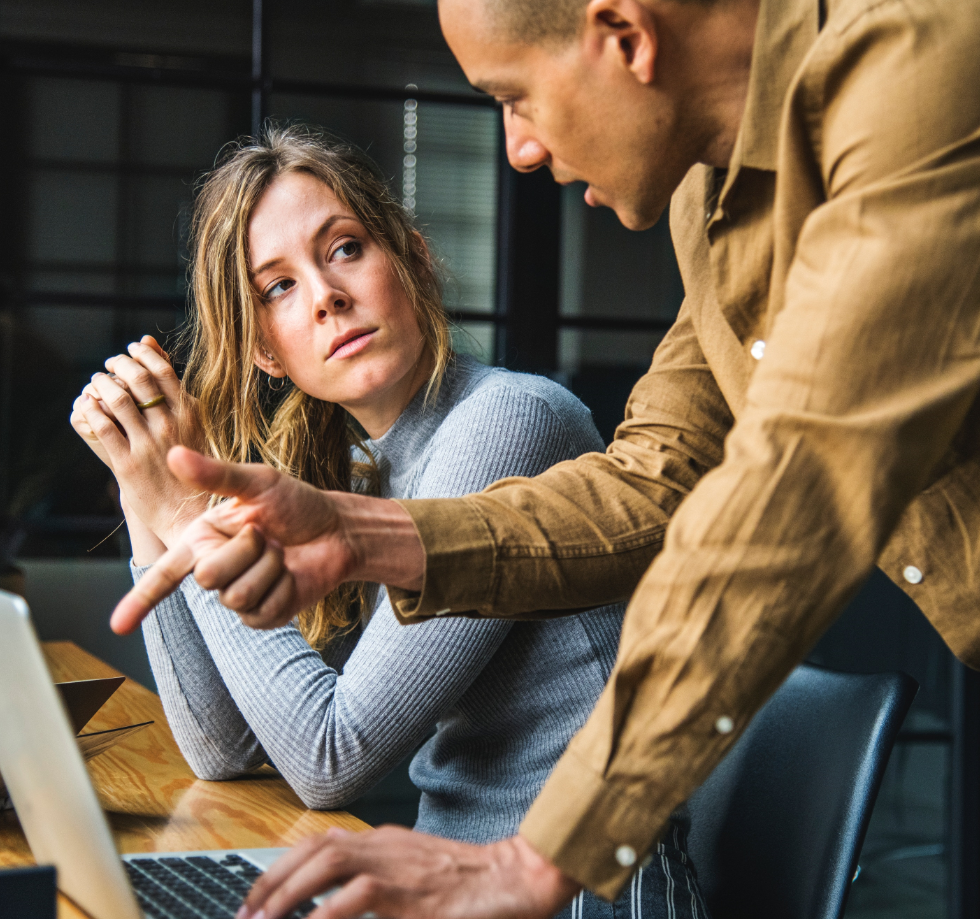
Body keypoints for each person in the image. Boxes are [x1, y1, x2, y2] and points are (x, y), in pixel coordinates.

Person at [115, 0, 980, 916]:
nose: (520, 149)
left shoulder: (939, 62)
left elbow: (798, 485)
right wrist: (355, 533)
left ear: (622, 34)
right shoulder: (711, 206)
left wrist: (544, 856)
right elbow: (651, 483)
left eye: (512, 96)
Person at [72, 125, 707, 919]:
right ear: (267, 351)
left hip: (582, 897)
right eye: (278, 288)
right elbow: (223, 748)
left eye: (343, 249)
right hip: (451, 890)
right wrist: (144, 490)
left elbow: (328, 757)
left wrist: (189, 515)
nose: (325, 296)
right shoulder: (363, 468)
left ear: (412, 257)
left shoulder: (508, 420)